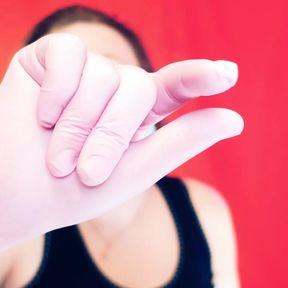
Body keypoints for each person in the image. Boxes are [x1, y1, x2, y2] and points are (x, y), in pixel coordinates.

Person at [0, 5, 241, 288]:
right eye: (70, 75)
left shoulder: (203, 209)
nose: (91, 88)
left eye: (113, 69)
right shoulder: (21, 225)